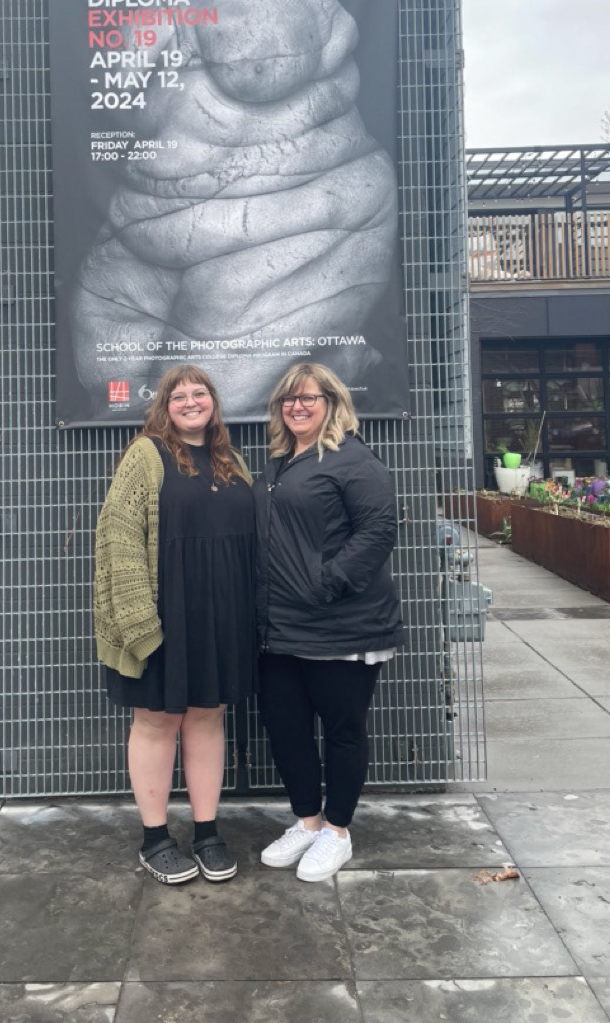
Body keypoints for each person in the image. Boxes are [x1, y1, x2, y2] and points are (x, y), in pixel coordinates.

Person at [93, 364, 256, 884]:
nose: (190, 402)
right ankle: (155, 838)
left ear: (214, 402)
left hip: (221, 616)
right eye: (179, 395)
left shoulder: (232, 460)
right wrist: (138, 620)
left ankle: (207, 832)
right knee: (156, 723)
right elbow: (118, 537)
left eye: (199, 393)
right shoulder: (146, 455)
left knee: (207, 718)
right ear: (164, 406)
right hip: (162, 615)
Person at [253, 362, 404, 882]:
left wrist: (326, 585)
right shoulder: (280, 462)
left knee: (342, 730)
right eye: (288, 400)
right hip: (281, 628)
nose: (297, 407)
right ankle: (308, 822)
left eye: (308, 398)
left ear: (332, 403)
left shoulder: (354, 460)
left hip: (342, 625)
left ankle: (337, 832)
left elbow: (379, 529)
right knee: (286, 727)